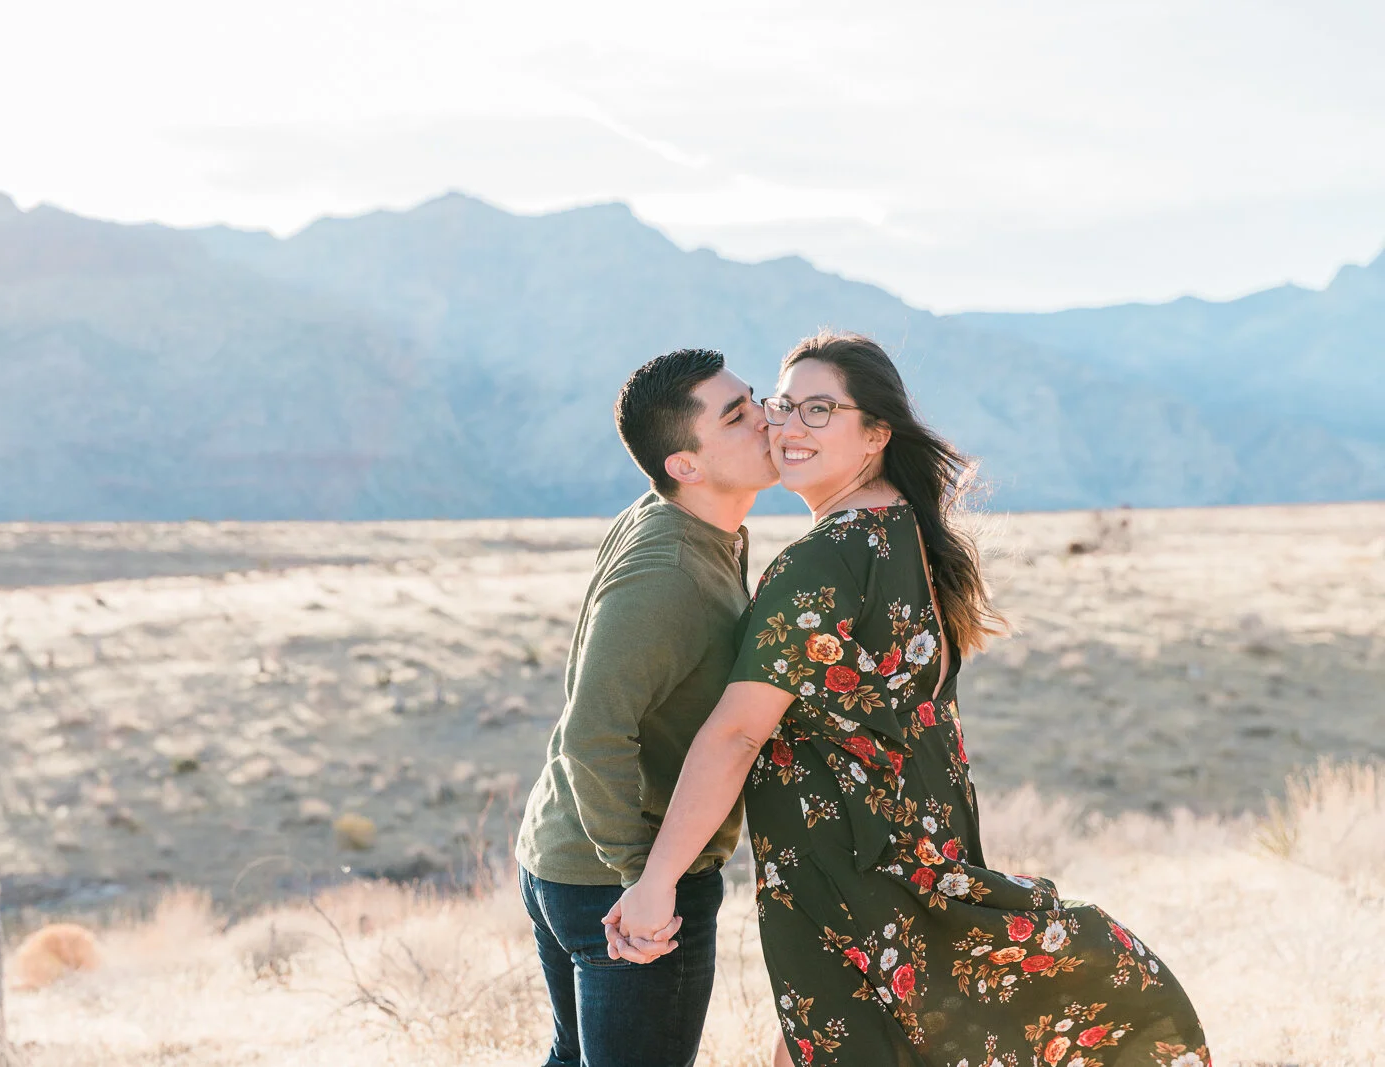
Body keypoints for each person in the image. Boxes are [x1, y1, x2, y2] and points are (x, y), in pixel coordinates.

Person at [606, 332, 1212, 1067]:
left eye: (821, 410)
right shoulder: (903, 530)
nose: (788, 427)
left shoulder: (823, 558)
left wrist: (656, 881)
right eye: (784, 403)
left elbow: (736, 734)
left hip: (851, 869)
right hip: (910, 847)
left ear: (875, 433)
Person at [514, 347, 780, 1067]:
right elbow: (592, 732)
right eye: (736, 416)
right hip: (618, 877)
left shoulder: (689, 525)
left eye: (753, 399)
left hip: (574, 858)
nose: (766, 419)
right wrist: (642, 878)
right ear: (684, 465)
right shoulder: (668, 571)